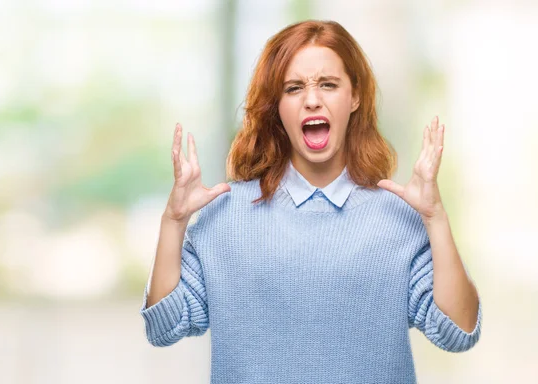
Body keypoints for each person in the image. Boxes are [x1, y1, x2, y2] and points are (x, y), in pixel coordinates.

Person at [140, 19, 482, 383]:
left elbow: (458, 332)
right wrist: (173, 223)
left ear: (355, 97)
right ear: (276, 106)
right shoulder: (224, 215)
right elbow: (165, 327)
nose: (312, 99)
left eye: (328, 84)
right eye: (294, 88)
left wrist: (435, 217)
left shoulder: (398, 217)